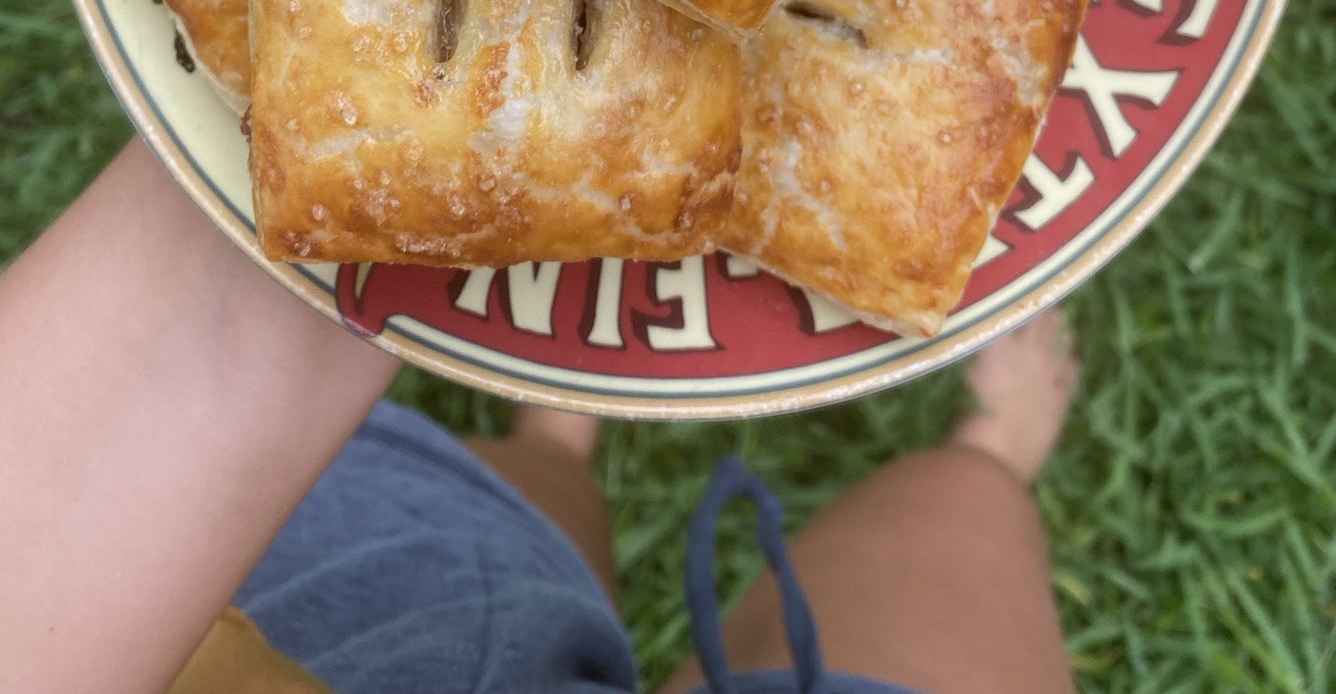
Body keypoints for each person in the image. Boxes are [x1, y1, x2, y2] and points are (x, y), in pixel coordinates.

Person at [0, 139, 1079, 693]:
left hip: (287, 621)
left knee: (494, 529)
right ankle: (989, 453)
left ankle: (551, 436)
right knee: (957, 530)